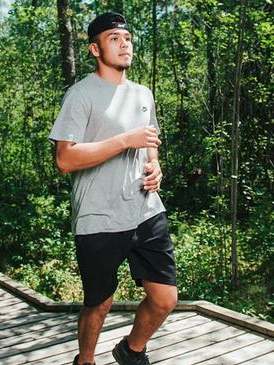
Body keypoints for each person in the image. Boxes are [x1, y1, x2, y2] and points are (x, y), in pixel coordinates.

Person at [49, 12, 177, 365]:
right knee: (100, 302)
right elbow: (65, 159)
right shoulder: (80, 95)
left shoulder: (142, 93)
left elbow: (150, 140)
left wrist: (155, 165)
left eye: (128, 38)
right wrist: (123, 140)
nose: (124, 44)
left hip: (146, 210)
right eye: (114, 39)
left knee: (165, 298)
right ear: (94, 48)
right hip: (99, 217)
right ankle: (85, 361)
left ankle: (131, 350)